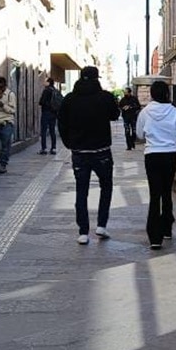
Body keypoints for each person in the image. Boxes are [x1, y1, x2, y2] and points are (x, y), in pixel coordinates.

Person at [58, 65, 120, 244]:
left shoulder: (70, 99)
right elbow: (115, 115)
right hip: (102, 152)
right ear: (97, 78)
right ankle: (101, 225)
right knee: (106, 187)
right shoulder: (105, 97)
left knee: (81, 190)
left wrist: (69, 143)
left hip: (79, 152)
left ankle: (83, 232)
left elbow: (61, 122)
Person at [137, 80, 176, 250]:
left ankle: (155, 237)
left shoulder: (145, 112)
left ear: (152, 94)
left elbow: (140, 134)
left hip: (152, 156)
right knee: (166, 193)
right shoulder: (175, 112)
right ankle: (167, 228)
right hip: (169, 155)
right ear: (167, 94)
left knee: (155, 195)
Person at [38, 78, 62, 155]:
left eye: (45, 81)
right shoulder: (56, 91)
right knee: (52, 131)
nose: (44, 82)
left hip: (46, 112)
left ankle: (44, 148)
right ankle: (53, 148)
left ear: (48, 82)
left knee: (44, 131)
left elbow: (41, 102)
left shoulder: (46, 90)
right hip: (54, 113)